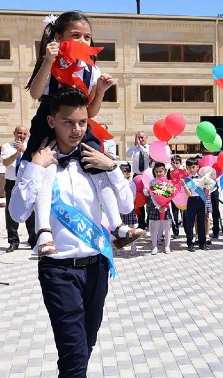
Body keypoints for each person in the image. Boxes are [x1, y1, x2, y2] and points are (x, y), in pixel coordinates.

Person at [9, 88, 134, 378]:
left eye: (82, 122)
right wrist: (36, 166)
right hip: (58, 270)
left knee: (83, 348)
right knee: (74, 355)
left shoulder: (94, 160)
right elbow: (16, 212)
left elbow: (128, 205)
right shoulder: (37, 162)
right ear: (52, 121)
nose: (77, 130)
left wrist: (113, 167)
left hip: (96, 267)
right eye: (68, 122)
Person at [21, 12, 140, 255]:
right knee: (44, 173)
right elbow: (34, 93)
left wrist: (101, 91)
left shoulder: (91, 68)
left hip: (78, 124)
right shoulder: (51, 61)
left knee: (99, 167)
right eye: (76, 35)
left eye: (87, 37)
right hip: (49, 122)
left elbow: (91, 111)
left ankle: (117, 226)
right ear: (58, 37)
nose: (83, 41)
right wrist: (47, 61)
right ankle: (43, 233)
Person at [1, 126, 36, 252]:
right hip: (12, 182)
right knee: (11, 212)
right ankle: (13, 241)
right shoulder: (7, 146)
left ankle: (33, 240)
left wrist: (24, 150)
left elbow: (35, 161)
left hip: (26, 182)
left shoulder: (31, 146)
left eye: (24, 133)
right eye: (19, 133)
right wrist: (17, 153)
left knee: (31, 211)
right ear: (14, 133)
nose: (21, 135)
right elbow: (5, 163)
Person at [144, 162, 173, 255]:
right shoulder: (152, 182)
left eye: (161, 171)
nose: (159, 173)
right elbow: (152, 196)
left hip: (166, 207)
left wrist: (164, 205)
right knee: (154, 228)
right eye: (157, 171)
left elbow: (170, 195)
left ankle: (167, 246)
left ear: (165, 171)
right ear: (154, 172)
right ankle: (154, 246)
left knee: (167, 228)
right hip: (155, 207)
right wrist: (159, 206)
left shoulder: (168, 182)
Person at [183, 158, 207, 251]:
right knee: (190, 223)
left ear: (197, 167)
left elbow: (205, 191)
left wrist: (207, 188)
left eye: (193, 167)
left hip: (201, 201)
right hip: (191, 200)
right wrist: (184, 186)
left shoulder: (202, 177)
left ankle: (202, 243)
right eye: (189, 167)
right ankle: (190, 243)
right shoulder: (186, 179)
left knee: (201, 223)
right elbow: (189, 194)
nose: (191, 169)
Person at [128, 132, 150, 229]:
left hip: (147, 176)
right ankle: (141, 222)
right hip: (136, 176)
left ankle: (149, 222)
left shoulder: (149, 148)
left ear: (146, 138)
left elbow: (146, 154)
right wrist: (135, 146)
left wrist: (140, 146)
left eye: (141, 137)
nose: (140, 139)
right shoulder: (134, 148)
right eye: (138, 137)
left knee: (149, 199)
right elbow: (128, 154)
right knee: (138, 200)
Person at [119, 163, 138, 255]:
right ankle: (120, 245)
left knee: (131, 227)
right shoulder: (117, 183)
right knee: (119, 228)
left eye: (123, 172)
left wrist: (128, 205)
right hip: (119, 209)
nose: (121, 174)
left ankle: (133, 245)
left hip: (129, 208)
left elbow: (133, 196)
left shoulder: (131, 183)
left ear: (128, 173)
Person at [168, 155, 187, 237]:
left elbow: (187, 183)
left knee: (185, 215)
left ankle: (187, 231)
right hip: (174, 197)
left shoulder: (184, 172)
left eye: (177, 163)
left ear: (180, 163)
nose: (175, 165)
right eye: (173, 163)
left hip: (183, 197)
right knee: (174, 215)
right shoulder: (169, 172)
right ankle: (175, 232)